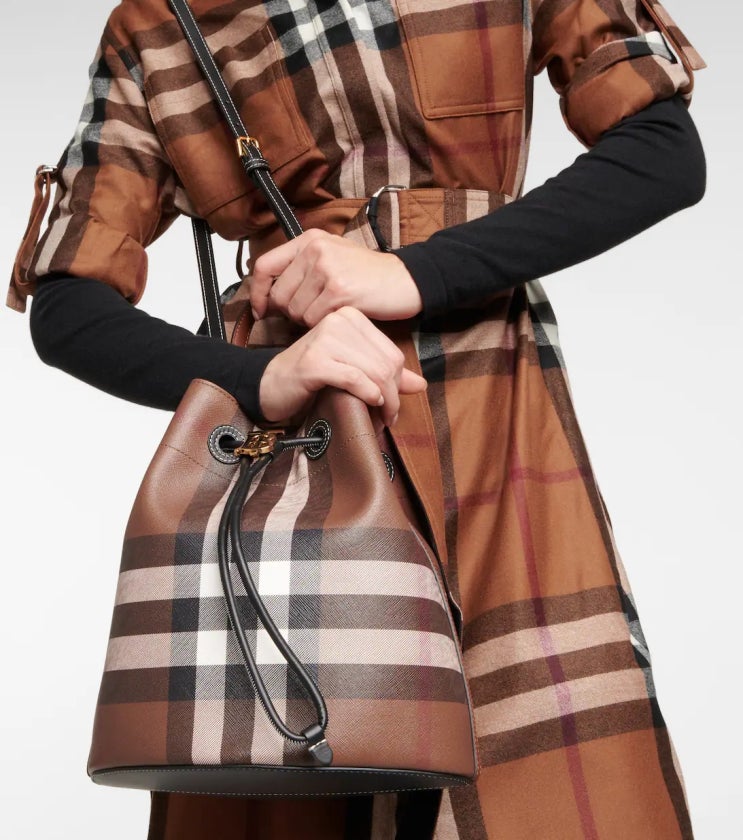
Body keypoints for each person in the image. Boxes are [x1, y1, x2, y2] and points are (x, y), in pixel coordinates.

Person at [9, 0, 707, 838]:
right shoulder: (158, 18)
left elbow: (661, 151)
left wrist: (412, 273)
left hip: (488, 415)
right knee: (294, 760)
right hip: (297, 440)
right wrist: (260, 377)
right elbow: (66, 303)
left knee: (535, 786)